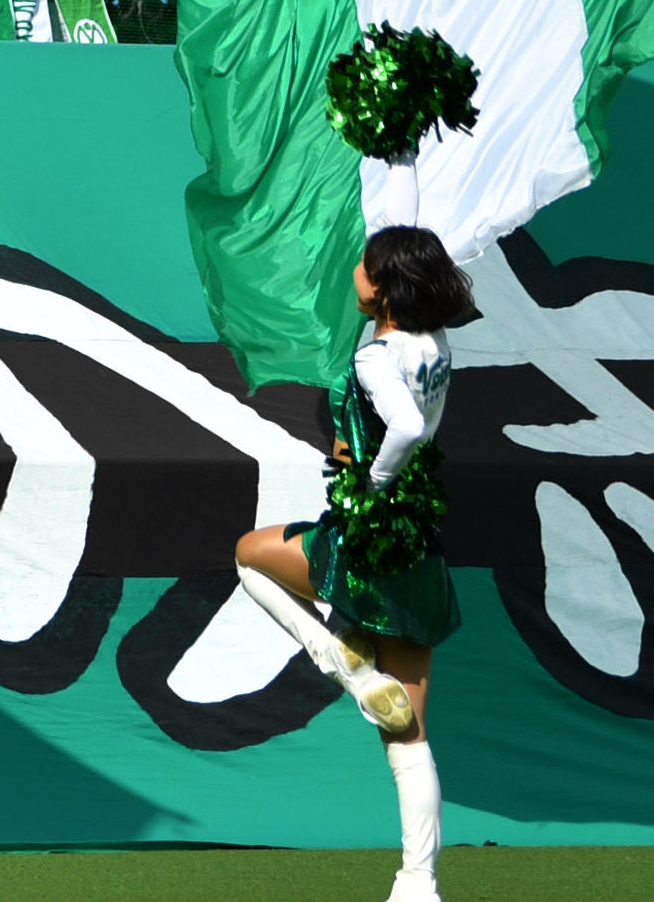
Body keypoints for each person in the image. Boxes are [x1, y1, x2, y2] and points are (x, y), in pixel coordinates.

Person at [227, 226, 481, 902]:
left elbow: (400, 427)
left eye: (363, 264)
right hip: (417, 538)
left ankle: (336, 655)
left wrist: (371, 483)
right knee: (409, 736)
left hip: (366, 536)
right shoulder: (438, 344)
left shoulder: (375, 357)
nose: (354, 270)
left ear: (384, 283)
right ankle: (416, 883)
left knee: (249, 556)